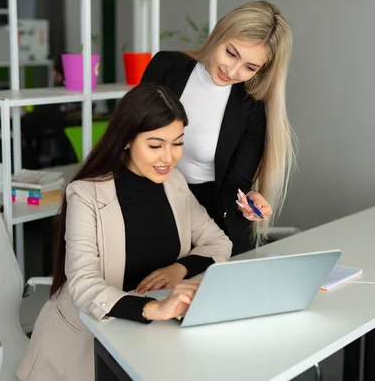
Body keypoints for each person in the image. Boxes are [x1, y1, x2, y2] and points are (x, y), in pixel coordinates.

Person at [17, 82, 232, 381]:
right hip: (86, 345)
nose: (168, 158)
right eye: (155, 145)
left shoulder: (175, 184)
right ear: (127, 140)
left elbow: (217, 241)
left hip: (152, 338)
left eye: (178, 143)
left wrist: (179, 268)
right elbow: (83, 284)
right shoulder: (86, 194)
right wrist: (153, 308)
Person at [141, 0, 295, 255]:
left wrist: (246, 202)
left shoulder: (251, 108)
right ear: (219, 34)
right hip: (148, 204)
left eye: (250, 67)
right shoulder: (166, 67)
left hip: (209, 221)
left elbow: (235, 182)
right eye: (231, 53)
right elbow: (130, 134)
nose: (232, 71)